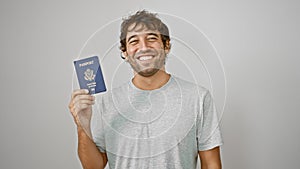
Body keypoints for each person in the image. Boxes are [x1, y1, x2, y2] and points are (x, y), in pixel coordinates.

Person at [69, 10, 223, 169]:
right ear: (125, 52)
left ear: (166, 45)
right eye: (134, 41)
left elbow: (211, 163)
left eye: (151, 38)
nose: (143, 47)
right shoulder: (107, 103)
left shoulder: (198, 98)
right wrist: (82, 126)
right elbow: (93, 166)